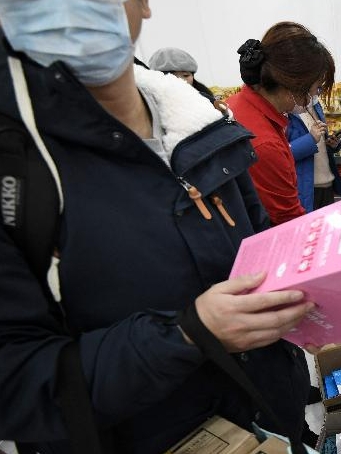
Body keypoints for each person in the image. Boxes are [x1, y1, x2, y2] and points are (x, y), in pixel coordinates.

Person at [0, 1, 315, 452]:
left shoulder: (205, 125)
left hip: (270, 416)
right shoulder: (18, 165)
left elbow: (260, 242)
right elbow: (15, 383)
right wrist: (188, 333)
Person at [227, 22, 335, 225]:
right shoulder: (265, 143)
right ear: (293, 86)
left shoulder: (236, 104)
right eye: (316, 88)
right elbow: (287, 220)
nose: (314, 96)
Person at [286, 94, 341, 211]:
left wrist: (332, 144)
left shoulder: (315, 105)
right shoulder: (287, 108)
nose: (319, 90)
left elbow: (321, 144)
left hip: (328, 185)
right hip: (306, 190)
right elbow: (284, 153)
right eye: (317, 84)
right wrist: (311, 139)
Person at [148, 46, 215, 102]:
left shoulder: (206, 98)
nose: (182, 81)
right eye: (173, 76)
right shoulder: (151, 101)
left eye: (186, 75)